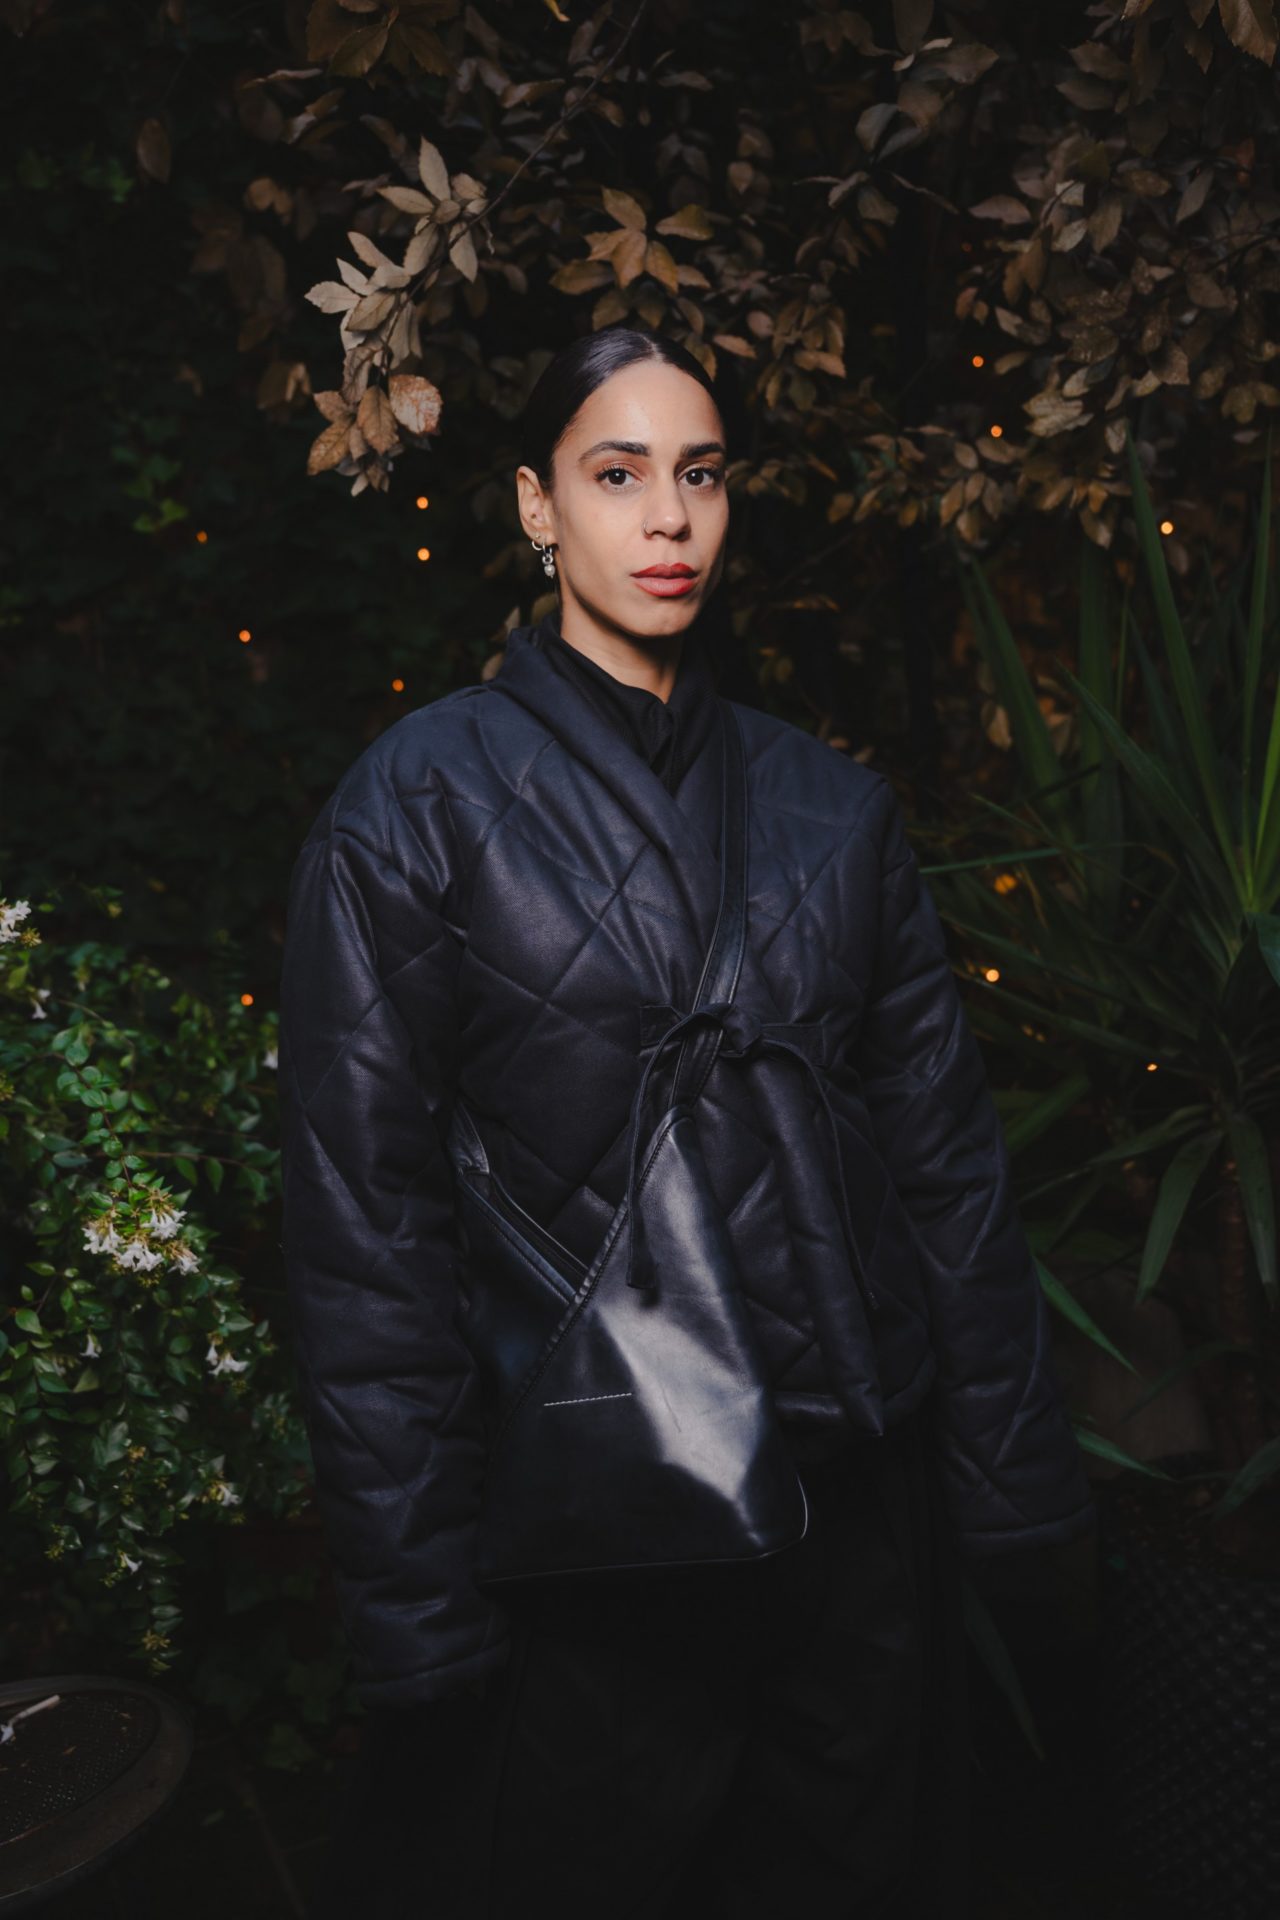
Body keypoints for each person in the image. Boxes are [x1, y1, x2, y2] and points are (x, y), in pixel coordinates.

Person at [277, 326, 1096, 1917]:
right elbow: (365, 1237)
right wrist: (417, 1609)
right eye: (617, 473)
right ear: (537, 506)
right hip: (592, 1537)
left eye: (701, 475)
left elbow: (948, 1174)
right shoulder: (414, 807)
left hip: (850, 1521)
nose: (669, 518)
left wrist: (1013, 1499)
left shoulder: (831, 811)